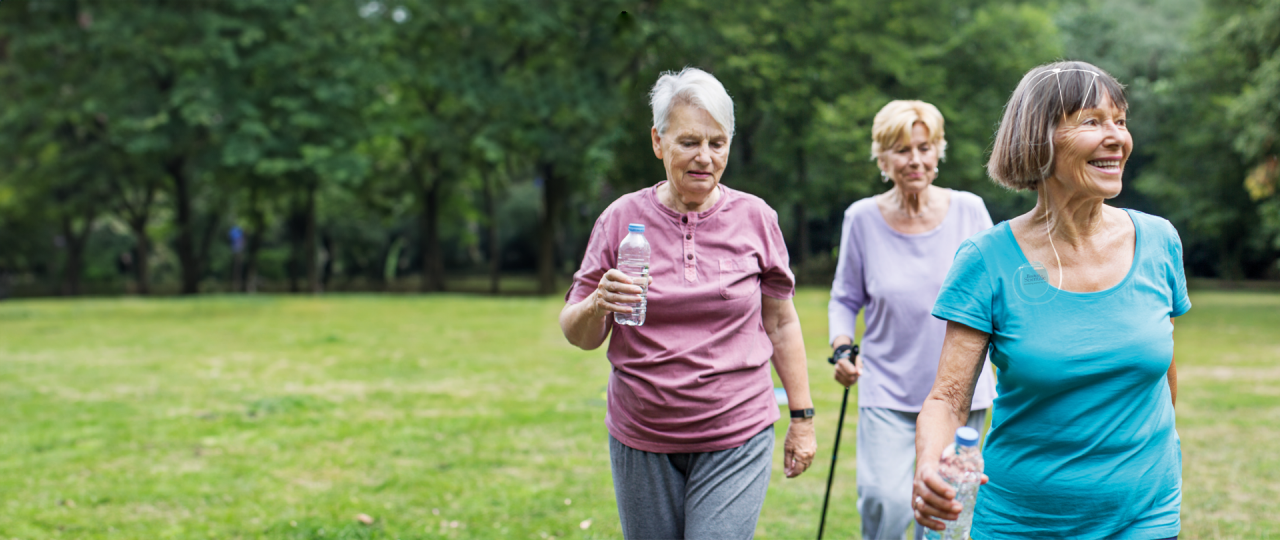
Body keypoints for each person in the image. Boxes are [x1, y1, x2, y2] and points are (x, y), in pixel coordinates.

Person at [913, 61, 1189, 539]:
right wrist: (928, 466)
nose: (1117, 138)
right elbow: (949, 399)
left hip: (1146, 514)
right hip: (1022, 521)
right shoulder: (986, 259)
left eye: (1120, 121)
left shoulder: (1159, 240)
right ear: (1038, 138)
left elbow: (1163, 372)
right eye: (1092, 121)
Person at [558, 67, 816, 539]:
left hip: (736, 430)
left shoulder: (756, 218)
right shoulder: (620, 219)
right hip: (643, 434)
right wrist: (598, 303)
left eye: (717, 143)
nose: (704, 157)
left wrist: (802, 418)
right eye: (689, 142)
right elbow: (578, 333)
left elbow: (780, 322)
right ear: (658, 142)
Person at [828, 100, 997, 540]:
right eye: (902, 150)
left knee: (944, 511)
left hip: (960, 390)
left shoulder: (970, 211)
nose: (916, 160)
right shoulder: (861, 218)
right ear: (882, 158)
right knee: (883, 501)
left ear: (939, 150)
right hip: (888, 388)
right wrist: (842, 347)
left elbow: (996, 293)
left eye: (925, 147)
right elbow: (845, 297)